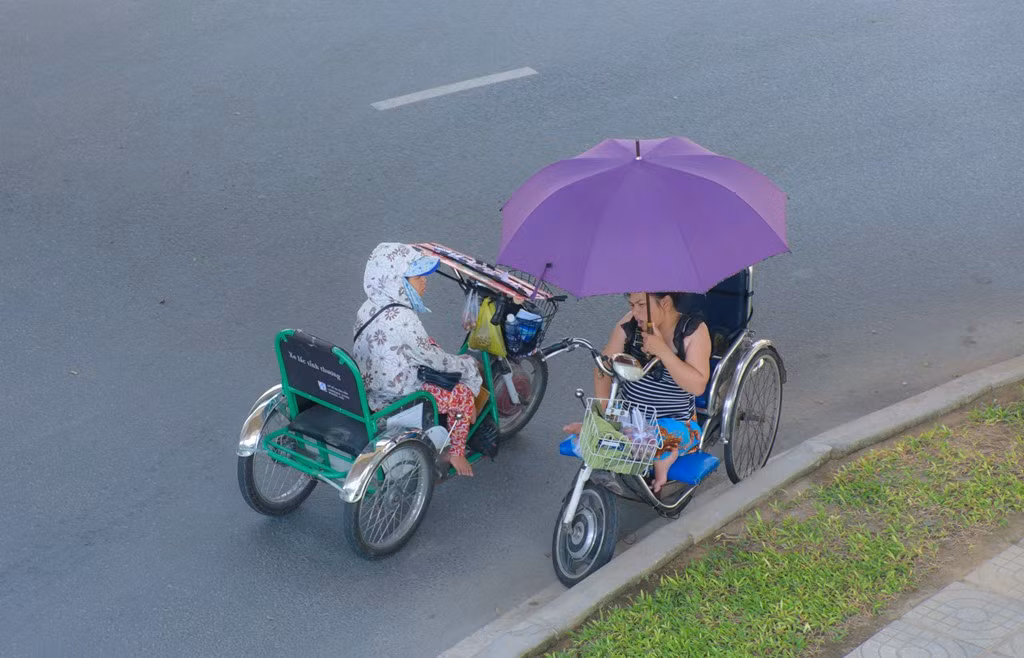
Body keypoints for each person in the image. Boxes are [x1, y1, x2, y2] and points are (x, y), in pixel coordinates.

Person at [352, 243, 483, 476]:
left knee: (429, 345)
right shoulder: (403, 319)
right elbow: (435, 360)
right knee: (462, 396)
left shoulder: (369, 307)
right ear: (396, 280)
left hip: (372, 386)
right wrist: (468, 368)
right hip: (399, 395)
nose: (425, 282)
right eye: (416, 277)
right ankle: (457, 452)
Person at [568, 292, 711, 494]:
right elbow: (603, 369)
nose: (635, 312)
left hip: (674, 424)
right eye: (632, 305)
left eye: (641, 305)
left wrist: (663, 351)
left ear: (666, 303)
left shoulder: (692, 332)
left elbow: (697, 386)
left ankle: (663, 454)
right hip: (631, 418)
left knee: (645, 436)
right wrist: (603, 415)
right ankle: (607, 437)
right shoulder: (629, 324)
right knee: (611, 429)